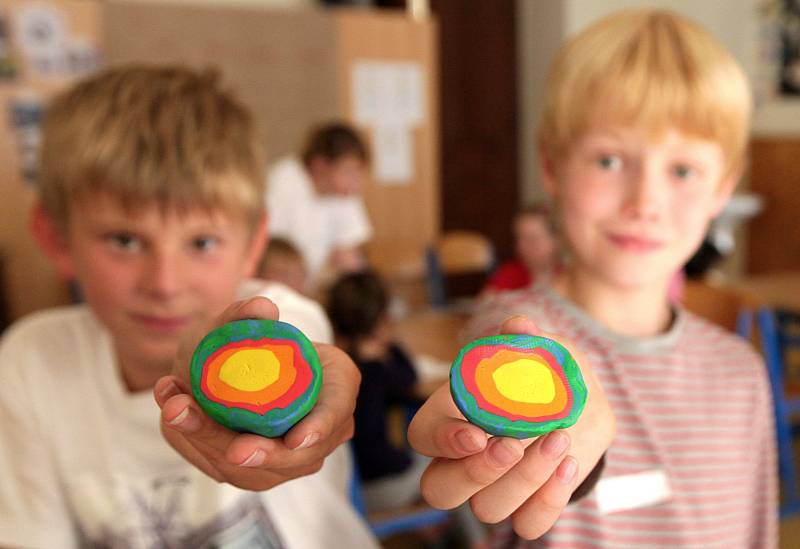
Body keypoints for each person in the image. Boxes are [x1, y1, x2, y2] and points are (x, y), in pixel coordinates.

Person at [407, 9, 777, 548]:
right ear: (553, 167)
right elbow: (517, 353)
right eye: (608, 160)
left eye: (682, 170)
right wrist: (561, 439)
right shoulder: (518, 336)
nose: (644, 202)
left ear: (723, 188)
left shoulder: (741, 374)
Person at [0, 65, 378, 548]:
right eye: (124, 240)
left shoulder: (283, 314)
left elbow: (303, 343)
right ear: (55, 238)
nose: (164, 283)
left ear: (253, 242)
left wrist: (291, 390)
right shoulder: (30, 363)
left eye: (200, 242)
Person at [326, 270, 422, 511]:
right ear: (382, 320)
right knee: (446, 459)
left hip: (344, 486)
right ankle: (477, 542)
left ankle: (436, 532)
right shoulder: (377, 371)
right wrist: (388, 344)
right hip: (376, 487)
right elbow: (410, 377)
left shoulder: (331, 366)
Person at [266, 122, 372, 288]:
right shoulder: (282, 182)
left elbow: (351, 247)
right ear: (320, 165)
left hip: (318, 288)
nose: (356, 184)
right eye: (349, 172)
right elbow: (271, 254)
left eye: (359, 173)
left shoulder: (343, 193)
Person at [483, 204, 560, 296]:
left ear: (557, 241)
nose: (522, 246)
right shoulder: (509, 274)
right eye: (519, 239)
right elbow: (484, 304)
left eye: (533, 239)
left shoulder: (569, 277)